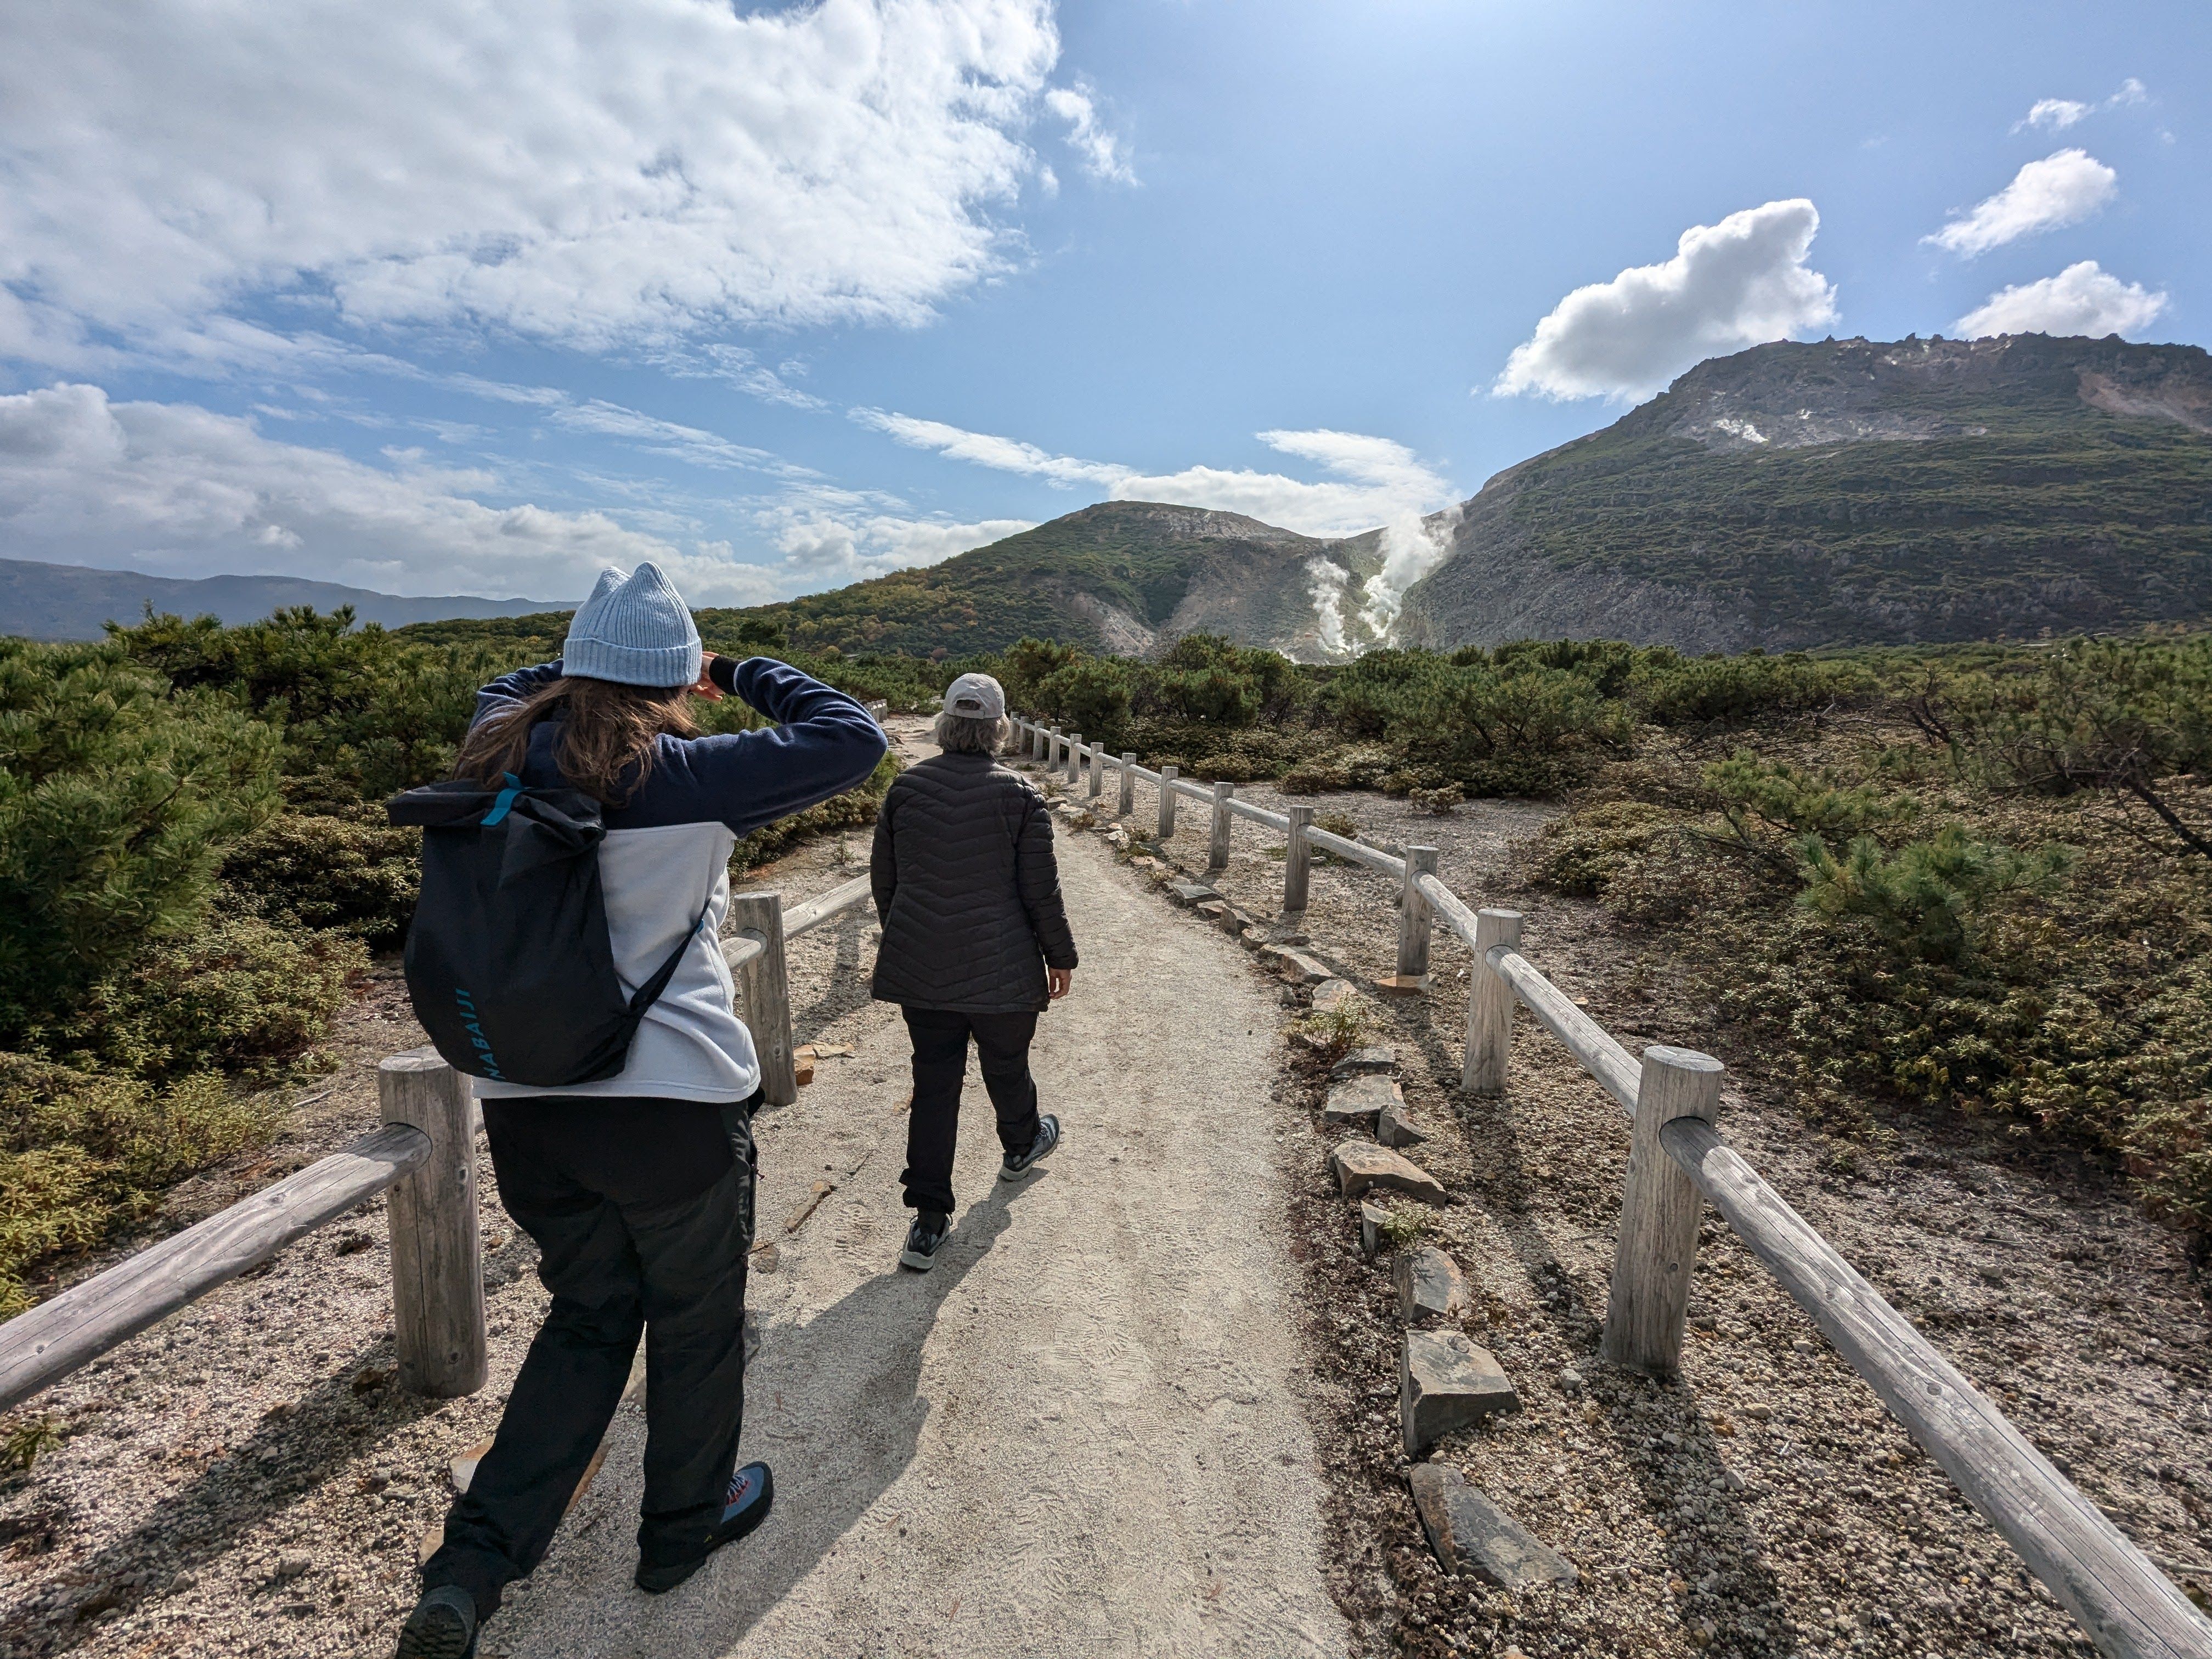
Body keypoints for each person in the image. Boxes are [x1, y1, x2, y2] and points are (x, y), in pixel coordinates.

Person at [394, 564, 887, 1659]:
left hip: (527, 1105)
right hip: (671, 1109)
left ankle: (472, 1570)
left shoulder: (490, 747)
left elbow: (505, 679)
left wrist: (580, 666)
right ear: (675, 682)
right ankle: (679, 1531)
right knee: (697, 1327)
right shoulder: (688, 776)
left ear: (572, 667)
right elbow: (851, 734)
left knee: (586, 1320)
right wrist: (729, 669)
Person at [869, 672, 1077, 1272]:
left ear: (944, 725)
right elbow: (1042, 892)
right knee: (1006, 1065)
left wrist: (909, 938)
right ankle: (1021, 1145)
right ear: (997, 728)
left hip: (923, 971)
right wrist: (1059, 956)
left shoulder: (906, 790)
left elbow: (888, 882)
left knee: (935, 1087)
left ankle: (928, 1225)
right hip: (1004, 969)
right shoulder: (1019, 796)